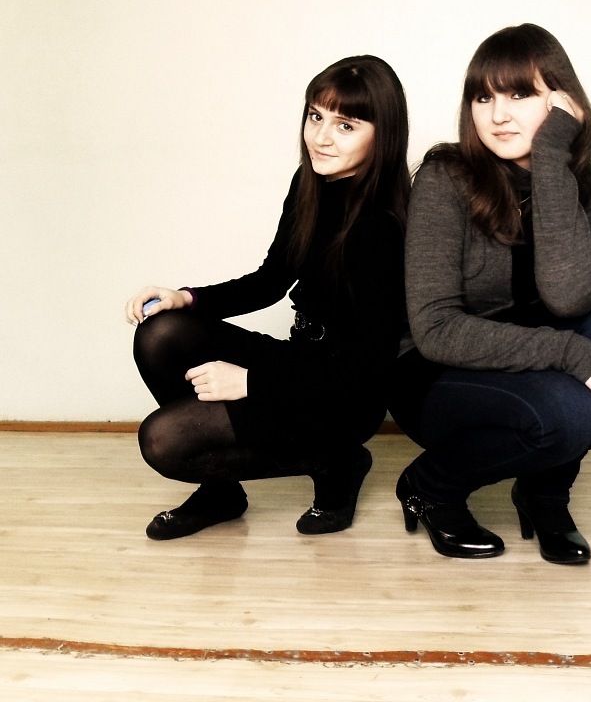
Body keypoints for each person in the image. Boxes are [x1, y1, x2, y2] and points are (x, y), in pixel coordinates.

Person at [124, 55, 410, 541]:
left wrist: (252, 382)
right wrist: (185, 298)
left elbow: (367, 371)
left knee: (163, 441)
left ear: (383, 135)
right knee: (160, 334)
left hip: (342, 395)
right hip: (300, 358)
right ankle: (221, 493)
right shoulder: (311, 183)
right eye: (316, 116)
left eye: (345, 125)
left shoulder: (383, 226)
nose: (321, 137)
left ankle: (337, 461)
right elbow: (271, 280)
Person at [389, 24, 591, 562]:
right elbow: (435, 330)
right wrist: (572, 354)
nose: (498, 115)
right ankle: (430, 485)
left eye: (520, 95)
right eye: (483, 98)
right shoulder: (445, 178)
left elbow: (570, 299)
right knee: (569, 414)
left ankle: (544, 495)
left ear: (563, 102)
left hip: (529, 365)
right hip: (438, 375)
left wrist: (551, 155)